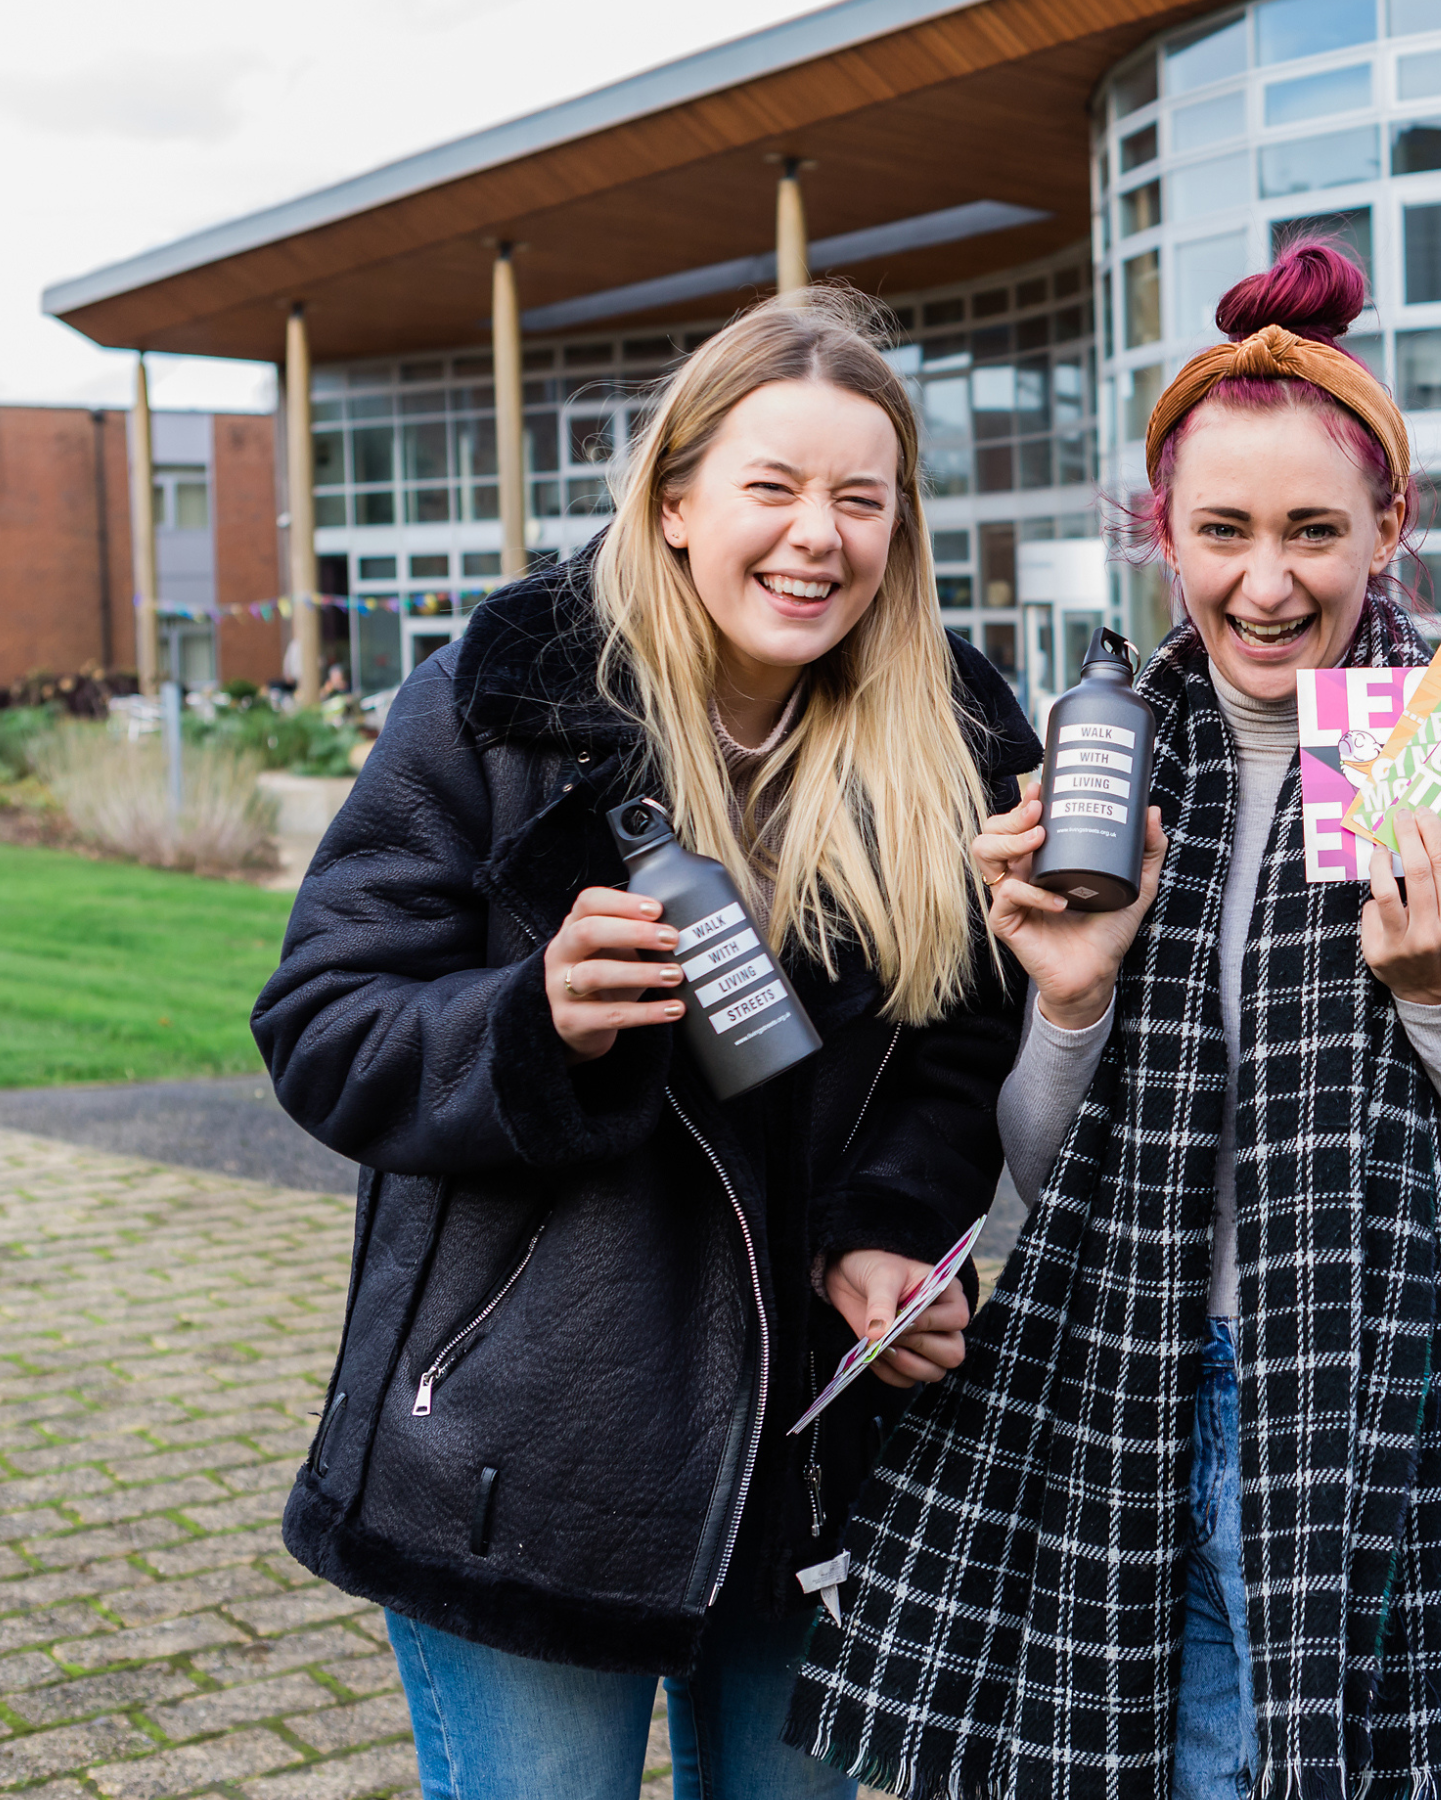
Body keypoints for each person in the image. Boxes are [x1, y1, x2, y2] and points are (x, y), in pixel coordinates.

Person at [793, 241, 1441, 1800]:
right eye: (1221, 531)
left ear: (1390, 529)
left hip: (1376, 1388)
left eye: (1314, 531)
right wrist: (1073, 999)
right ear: (1164, 536)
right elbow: (1030, 1171)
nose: (1267, 581)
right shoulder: (1100, 760)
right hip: (1114, 1386)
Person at [254, 285, 1038, 1800]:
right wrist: (527, 1021)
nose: (819, 535)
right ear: (677, 502)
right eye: (774, 487)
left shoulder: (953, 746)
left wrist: (893, 1234)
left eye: (859, 501)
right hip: (532, 1454)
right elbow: (322, 1025)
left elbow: (958, 1052)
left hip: (820, 1448)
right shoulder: (508, 700)